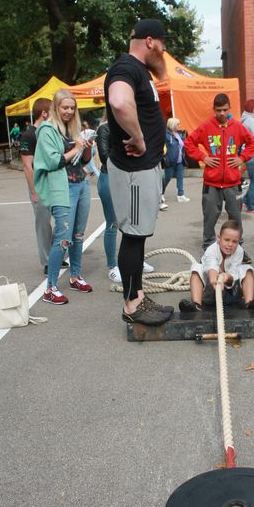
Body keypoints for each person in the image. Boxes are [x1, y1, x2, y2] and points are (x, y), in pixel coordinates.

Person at [104, 18, 174, 326]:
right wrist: (139, 137)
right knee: (133, 236)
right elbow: (119, 101)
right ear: (149, 41)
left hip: (143, 169)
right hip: (133, 170)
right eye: (162, 43)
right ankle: (132, 305)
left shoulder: (139, 71)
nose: (164, 50)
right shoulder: (126, 67)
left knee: (139, 235)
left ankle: (138, 296)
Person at [34, 89, 93, 305]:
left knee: (78, 235)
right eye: (65, 107)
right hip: (62, 188)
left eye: (72, 108)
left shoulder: (74, 128)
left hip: (81, 184)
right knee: (63, 238)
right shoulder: (47, 130)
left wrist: (87, 148)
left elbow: (84, 161)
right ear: (56, 107)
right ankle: (50, 288)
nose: (69, 111)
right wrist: (76, 147)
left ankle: (75, 276)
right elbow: (52, 161)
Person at [184, 93, 254, 251]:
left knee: (236, 219)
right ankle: (209, 250)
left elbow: (252, 142)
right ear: (214, 109)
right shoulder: (206, 127)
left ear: (230, 108)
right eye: (218, 110)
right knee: (209, 219)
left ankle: (238, 250)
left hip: (233, 183)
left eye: (225, 109)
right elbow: (189, 143)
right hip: (211, 184)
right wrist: (203, 157)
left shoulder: (238, 126)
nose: (222, 113)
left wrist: (242, 158)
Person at [95, 117, 155, 283]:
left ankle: (136, 260)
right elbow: (104, 156)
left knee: (134, 222)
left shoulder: (131, 127)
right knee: (113, 223)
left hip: (131, 177)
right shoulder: (105, 129)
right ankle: (112, 266)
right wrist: (129, 153)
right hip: (110, 177)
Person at [20, 98, 68, 275]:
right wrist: (34, 191)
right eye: (53, 111)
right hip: (39, 184)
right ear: (44, 113)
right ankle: (47, 260)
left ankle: (57, 254)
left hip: (55, 182)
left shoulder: (51, 131)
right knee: (43, 224)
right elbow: (27, 166)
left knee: (63, 221)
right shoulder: (29, 135)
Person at [178, 220, 254, 312]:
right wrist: (215, 280)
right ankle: (196, 305)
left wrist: (225, 277)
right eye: (227, 240)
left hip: (231, 294)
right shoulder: (211, 250)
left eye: (234, 241)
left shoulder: (239, 251)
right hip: (210, 294)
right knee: (196, 268)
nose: (230, 244)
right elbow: (212, 266)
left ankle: (249, 303)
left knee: (247, 269)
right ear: (218, 238)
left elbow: (234, 273)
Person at [162, 117, 190, 203]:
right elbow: (162, 146)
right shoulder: (166, 134)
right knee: (167, 178)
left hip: (179, 160)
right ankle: (160, 193)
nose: (179, 125)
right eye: (178, 124)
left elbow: (182, 145)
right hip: (170, 161)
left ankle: (180, 195)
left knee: (180, 177)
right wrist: (165, 157)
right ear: (173, 125)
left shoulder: (179, 134)